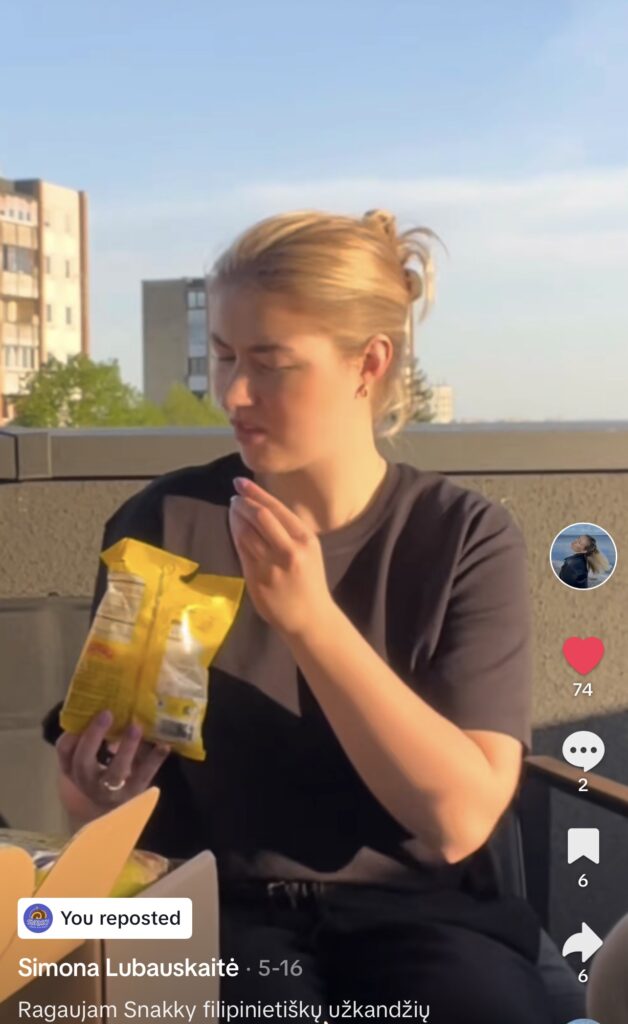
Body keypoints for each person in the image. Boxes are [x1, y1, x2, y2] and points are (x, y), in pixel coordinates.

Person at [42, 209, 554, 1023]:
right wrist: (98, 790)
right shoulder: (165, 524)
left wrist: (311, 620)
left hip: (426, 917)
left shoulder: (462, 537)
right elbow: (104, 809)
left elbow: (459, 820)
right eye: (223, 357)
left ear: (368, 364)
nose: (233, 393)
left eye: (270, 363)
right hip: (211, 910)